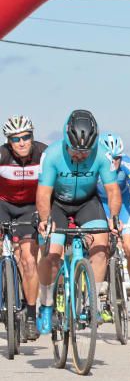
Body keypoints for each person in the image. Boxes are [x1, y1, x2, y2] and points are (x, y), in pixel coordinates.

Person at [36, 110, 121, 333]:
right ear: (66, 142)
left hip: (86, 202)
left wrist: (113, 217)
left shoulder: (102, 154)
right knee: (52, 253)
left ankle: (94, 302)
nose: (80, 156)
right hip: (57, 204)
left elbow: (112, 191)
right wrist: (45, 221)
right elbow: (43, 194)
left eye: (86, 151)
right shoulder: (52, 154)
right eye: (75, 150)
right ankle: (45, 305)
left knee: (101, 248)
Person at [0, 116, 46, 340]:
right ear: (9, 141)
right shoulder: (2, 156)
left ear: (32, 136)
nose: (21, 142)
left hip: (29, 207)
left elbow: (52, 185)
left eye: (26, 137)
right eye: (15, 138)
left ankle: (30, 315)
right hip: (3, 204)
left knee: (28, 260)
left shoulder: (43, 154)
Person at [96, 133, 130, 321]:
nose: (115, 162)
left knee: (129, 247)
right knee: (100, 246)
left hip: (124, 206)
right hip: (102, 204)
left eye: (118, 158)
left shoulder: (128, 165)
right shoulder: (95, 165)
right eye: (111, 158)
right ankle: (101, 293)